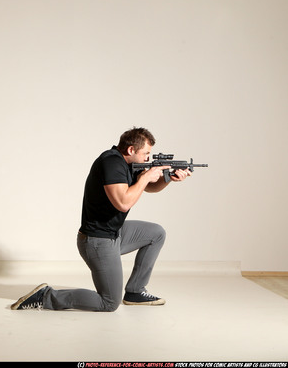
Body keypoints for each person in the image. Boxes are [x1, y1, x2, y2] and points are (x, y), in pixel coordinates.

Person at [11, 127, 191, 311]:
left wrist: (167, 178)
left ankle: (135, 291)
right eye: (146, 153)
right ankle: (46, 296)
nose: (148, 158)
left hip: (114, 233)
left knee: (156, 233)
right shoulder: (111, 162)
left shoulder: (127, 163)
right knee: (109, 302)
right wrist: (145, 178)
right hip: (97, 241)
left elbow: (149, 188)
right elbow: (123, 203)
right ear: (131, 150)